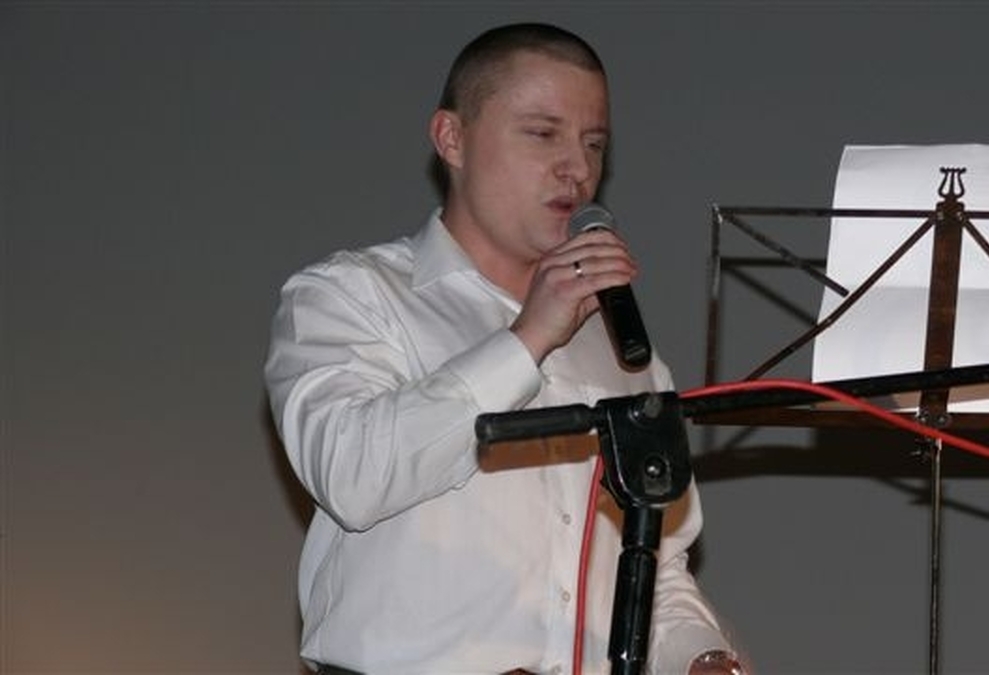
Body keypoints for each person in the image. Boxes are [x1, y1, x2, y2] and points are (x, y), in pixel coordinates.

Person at [264, 22, 744, 675]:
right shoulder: (349, 296)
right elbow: (353, 474)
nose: (578, 169)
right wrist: (527, 340)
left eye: (594, 143)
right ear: (451, 138)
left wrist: (700, 655)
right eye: (543, 133)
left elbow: (653, 563)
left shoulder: (622, 349)